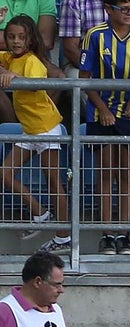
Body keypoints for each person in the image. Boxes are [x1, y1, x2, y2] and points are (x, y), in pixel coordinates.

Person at [80, 0, 130, 257]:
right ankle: (106, 234)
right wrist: (102, 108)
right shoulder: (94, 36)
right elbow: (84, 78)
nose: (129, 14)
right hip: (101, 112)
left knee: (126, 173)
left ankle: (123, 233)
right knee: (104, 172)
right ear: (108, 9)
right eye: (124, 9)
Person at [0, 15, 69, 253]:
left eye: (21, 37)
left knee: (54, 183)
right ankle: (40, 213)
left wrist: (16, 78)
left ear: (30, 40)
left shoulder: (32, 61)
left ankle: (63, 236)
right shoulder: (10, 58)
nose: (16, 42)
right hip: (30, 129)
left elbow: (37, 83)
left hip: (46, 127)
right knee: (5, 173)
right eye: (11, 37)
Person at [60, 0, 130, 72]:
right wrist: (98, 72)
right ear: (108, 9)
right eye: (124, 9)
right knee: (79, 84)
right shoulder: (74, 2)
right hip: (84, 64)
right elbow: (70, 49)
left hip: (127, 66)